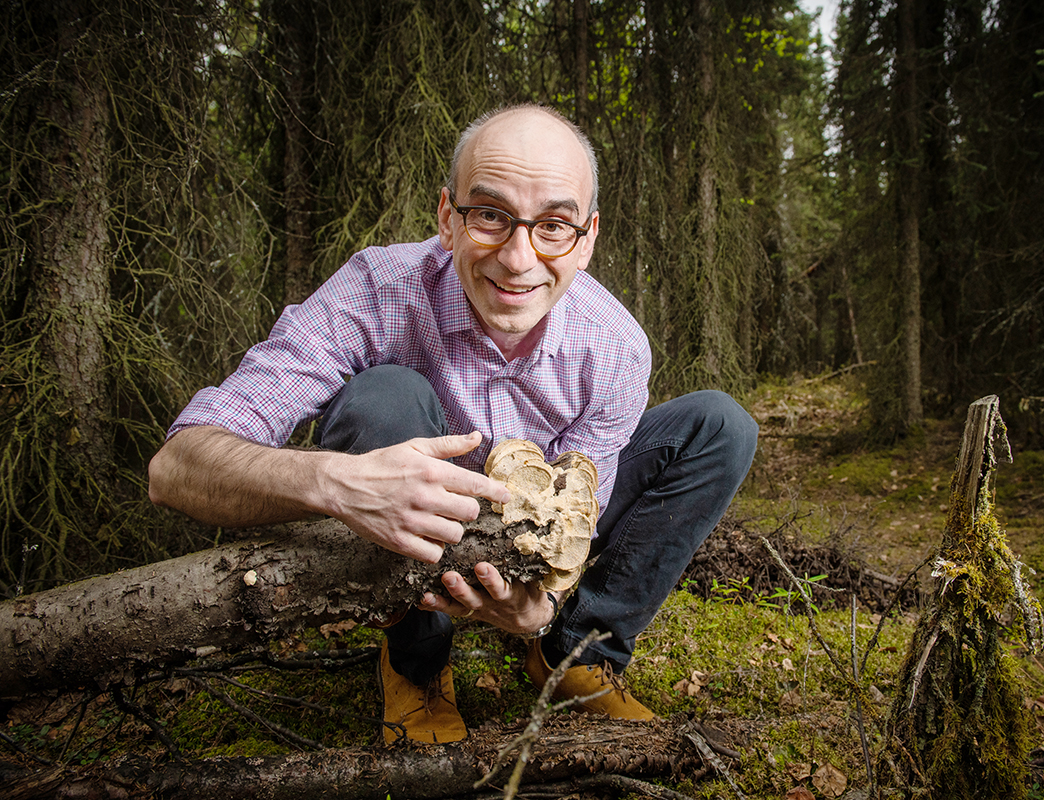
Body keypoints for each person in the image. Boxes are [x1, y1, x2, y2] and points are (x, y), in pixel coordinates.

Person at [148, 104, 758, 745]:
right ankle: (416, 663)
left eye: (554, 225)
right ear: (448, 216)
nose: (519, 259)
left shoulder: (616, 347)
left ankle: (578, 653)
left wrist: (540, 606)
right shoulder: (377, 290)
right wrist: (336, 482)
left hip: (529, 524)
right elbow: (177, 467)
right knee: (386, 398)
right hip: (401, 525)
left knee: (720, 426)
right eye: (490, 215)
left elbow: (583, 504)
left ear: (588, 237)